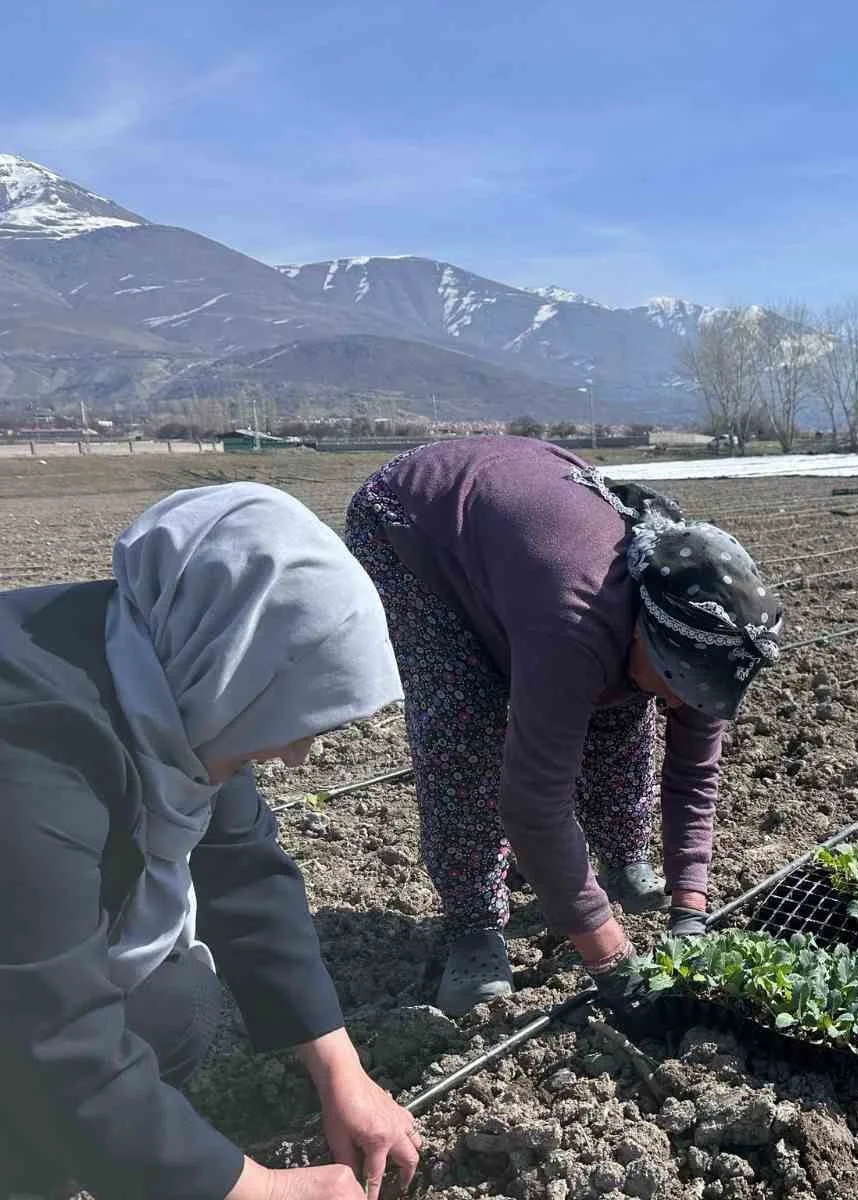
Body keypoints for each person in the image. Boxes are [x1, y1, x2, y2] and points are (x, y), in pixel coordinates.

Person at [0, 483, 422, 1200]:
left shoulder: (170, 670)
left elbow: (246, 870)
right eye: (289, 713)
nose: (296, 756)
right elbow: (48, 1024)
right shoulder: (31, 745)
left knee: (175, 1000)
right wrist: (255, 1188)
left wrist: (341, 1071)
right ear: (237, 665)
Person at [345, 437, 782, 1016]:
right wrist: (611, 959)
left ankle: (622, 857)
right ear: (641, 630)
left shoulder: (709, 634)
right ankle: (474, 924)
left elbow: (694, 776)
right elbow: (534, 805)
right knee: (466, 728)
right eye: (678, 682)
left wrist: (690, 912)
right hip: (416, 528)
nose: (684, 703)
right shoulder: (575, 624)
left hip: (528, 528)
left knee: (624, 705)